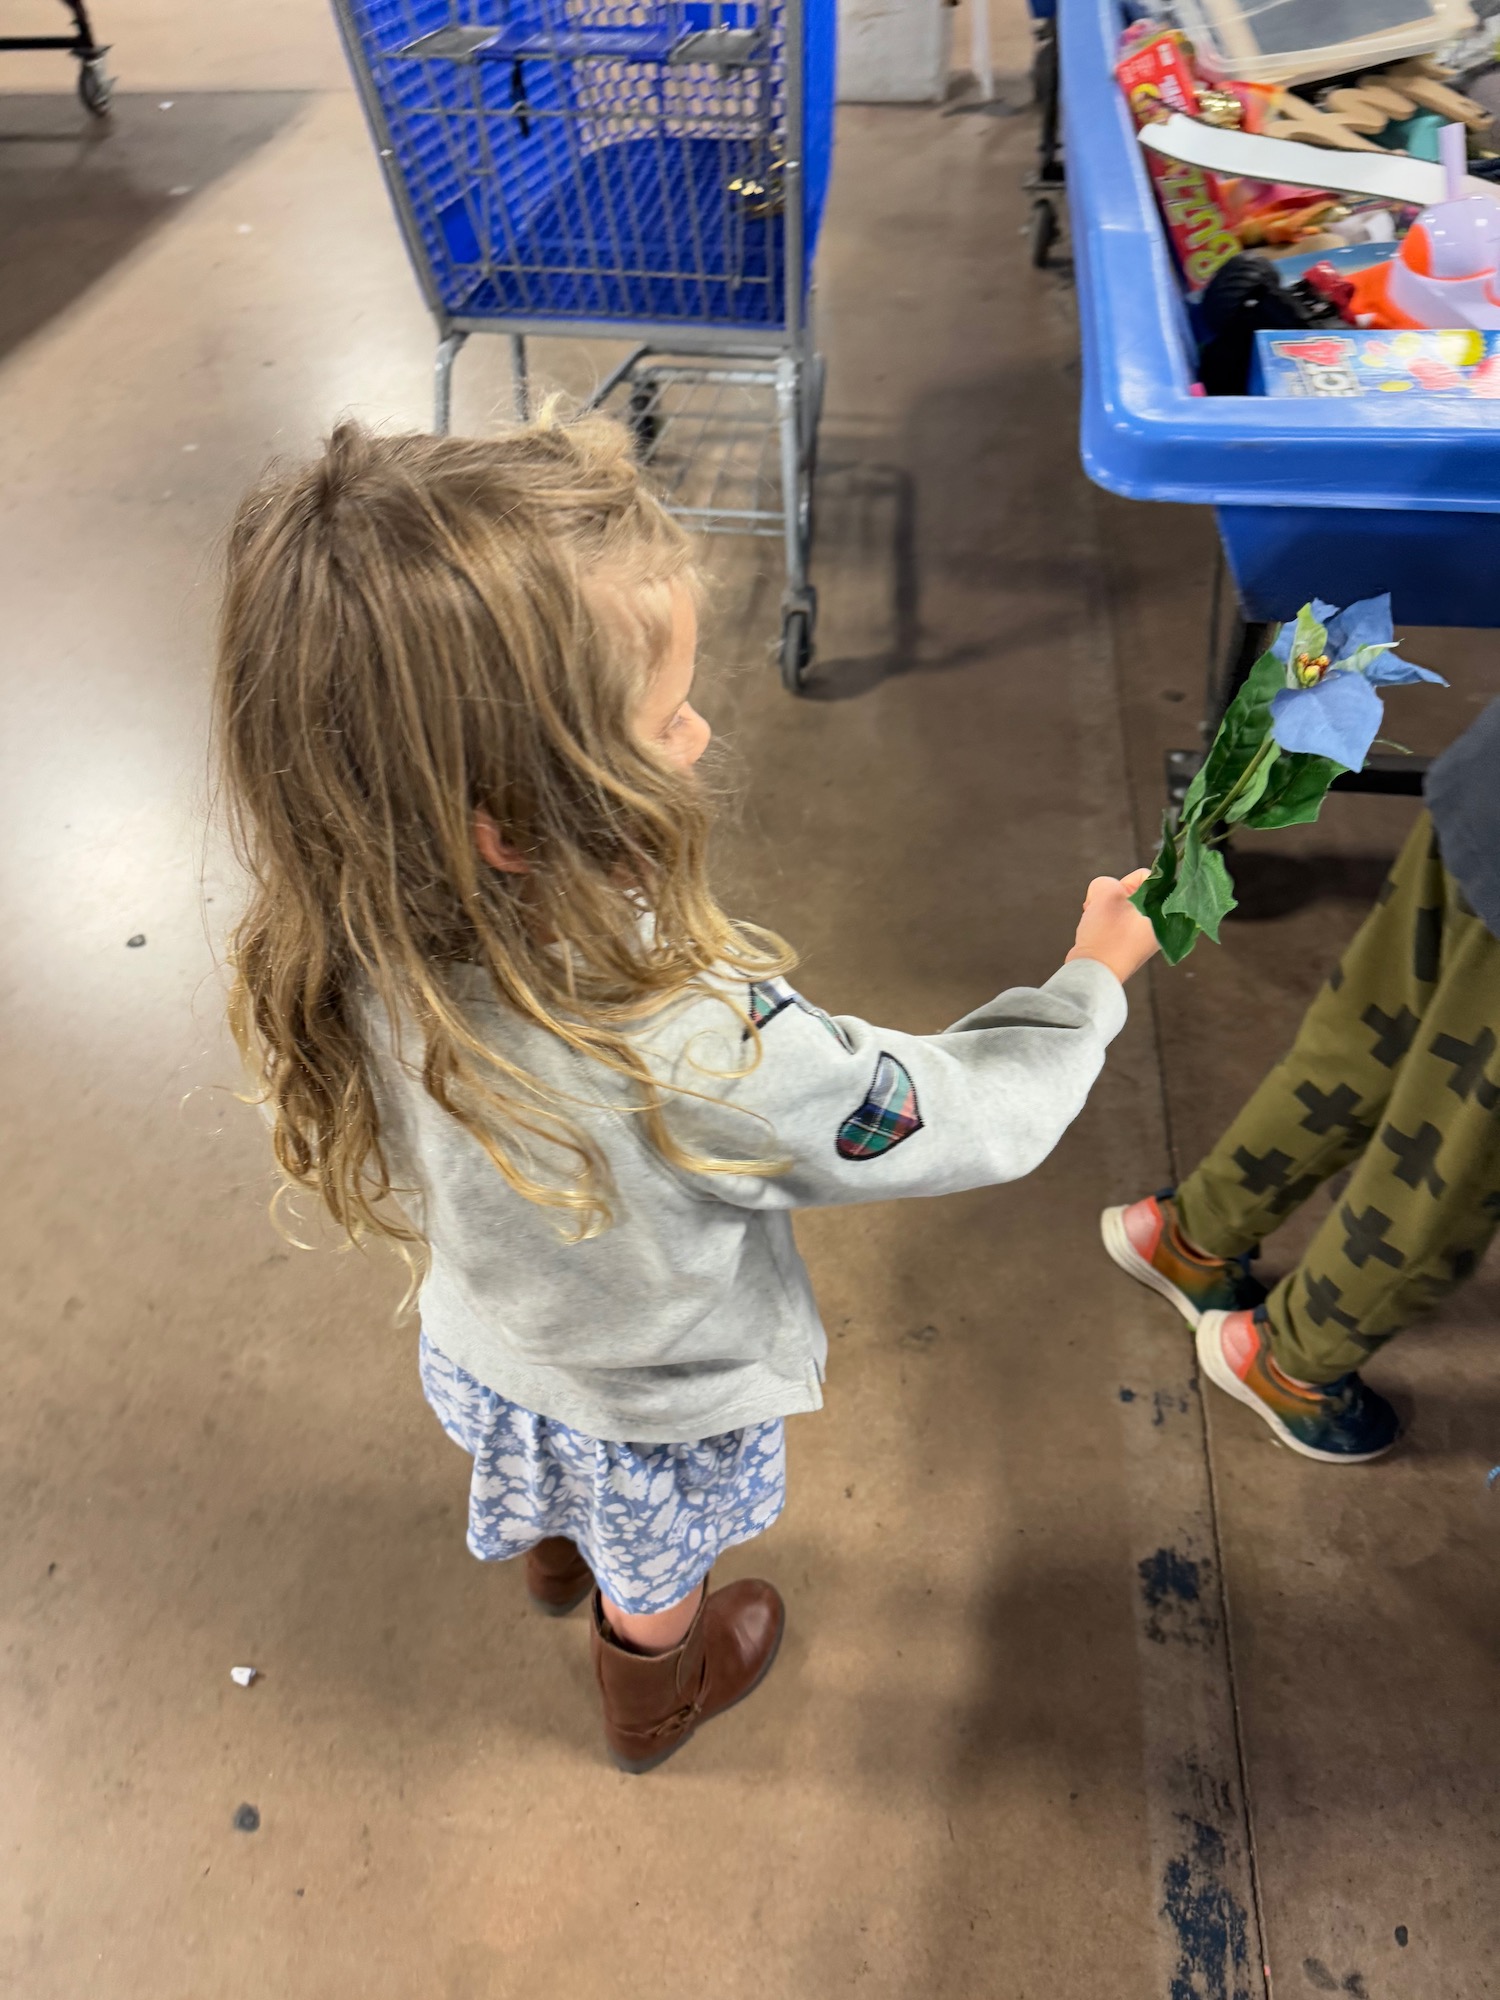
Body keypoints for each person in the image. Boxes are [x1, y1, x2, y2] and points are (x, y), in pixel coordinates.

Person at [216, 413, 1159, 1773]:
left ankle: (551, 1555)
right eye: (664, 720)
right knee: (654, 1571)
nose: (700, 729)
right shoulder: (701, 1045)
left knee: (548, 1477)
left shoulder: (351, 923)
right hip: (650, 1400)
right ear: (504, 817)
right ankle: (655, 1689)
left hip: (488, 1345)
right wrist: (1086, 985)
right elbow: (960, 1114)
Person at [1103, 698, 1500, 1466]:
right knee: (1452, 1169)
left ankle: (1190, 1234)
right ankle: (1292, 1362)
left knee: (1365, 1042)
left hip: (1487, 789)